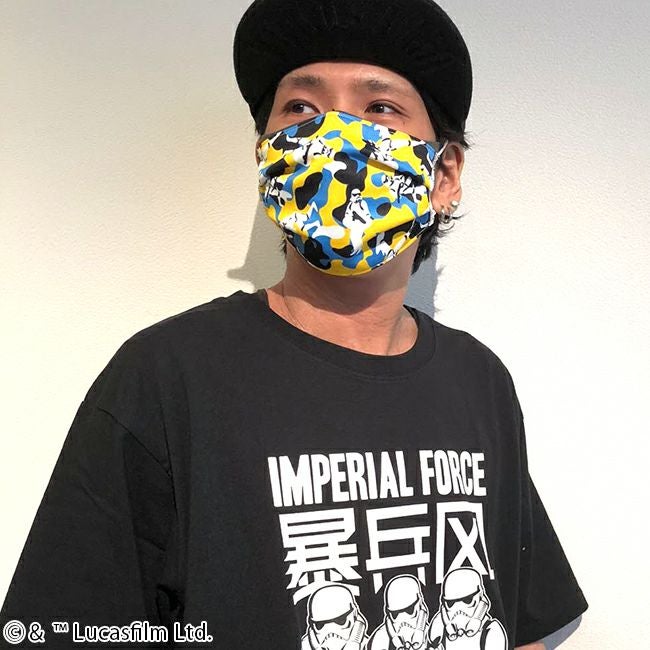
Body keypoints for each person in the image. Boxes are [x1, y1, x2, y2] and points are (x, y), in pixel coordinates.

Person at [0, 1, 588, 648]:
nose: (334, 133)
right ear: (269, 159)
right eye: (302, 109)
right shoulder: (167, 380)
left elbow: (516, 618)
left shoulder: (480, 381)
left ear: (443, 176)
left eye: (380, 108)